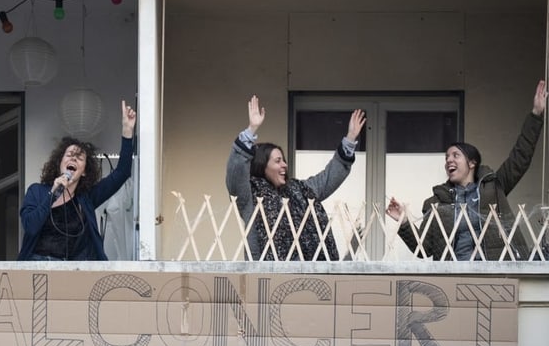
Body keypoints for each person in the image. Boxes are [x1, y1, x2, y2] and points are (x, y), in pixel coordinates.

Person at [386, 79, 547, 261]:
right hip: (455, 276)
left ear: (472, 163)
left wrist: (536, 115)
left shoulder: (494, 187)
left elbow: (520, 157)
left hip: (495, 273)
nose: (449, 160)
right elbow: (424, 249)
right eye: (446, 157)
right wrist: (404, 221)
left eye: (455, 155)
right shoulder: (436, 202)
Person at [226, 95, 366, 261]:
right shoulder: (249, 195)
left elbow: (329, 178)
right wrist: (251, 130)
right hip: (269, 277)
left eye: (283, 160)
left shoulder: (301, 190)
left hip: (310, 273)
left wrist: (350, 139)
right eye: (278, 161)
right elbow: (235, 173)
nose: (284, 165)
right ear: (262, 165)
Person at [17, 100, 136, 262]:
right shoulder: (37, 191)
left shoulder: (86, 198)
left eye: (79, 158)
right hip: (37, 267)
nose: (74, 158)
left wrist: (127, 131)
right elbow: (30, 227)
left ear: (85, 171)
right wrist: (53, 193)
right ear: (59, 163)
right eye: (69, 155)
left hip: (71, 271)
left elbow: (122, 173)